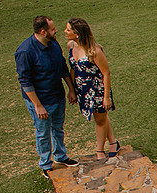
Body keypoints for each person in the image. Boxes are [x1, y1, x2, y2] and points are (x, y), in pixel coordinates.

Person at [15, 16, 80, 178]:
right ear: (43, 31)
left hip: (57, 96)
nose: (56, 31)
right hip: (40, 100)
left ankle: (61, 156)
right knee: (43, 132)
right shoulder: (25, 51)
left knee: (58, 127)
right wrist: (37, 105)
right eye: (52, 29)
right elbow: (25, 81)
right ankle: (45, 163)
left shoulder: (53, 44)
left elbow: (63, 66)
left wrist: (71, 89)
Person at [64, 18, 119, 161]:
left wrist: (106, 97)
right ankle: (113, 142)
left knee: (99, 119)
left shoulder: (94, 51)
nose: (65, 31)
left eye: (68, 29)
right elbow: (73, 68)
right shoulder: (71, 45)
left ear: (77, 33)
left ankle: (99, 150)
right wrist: (73, 90)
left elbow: (106, 73)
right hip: (83, 90)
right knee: (101, 117)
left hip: (97, 90)